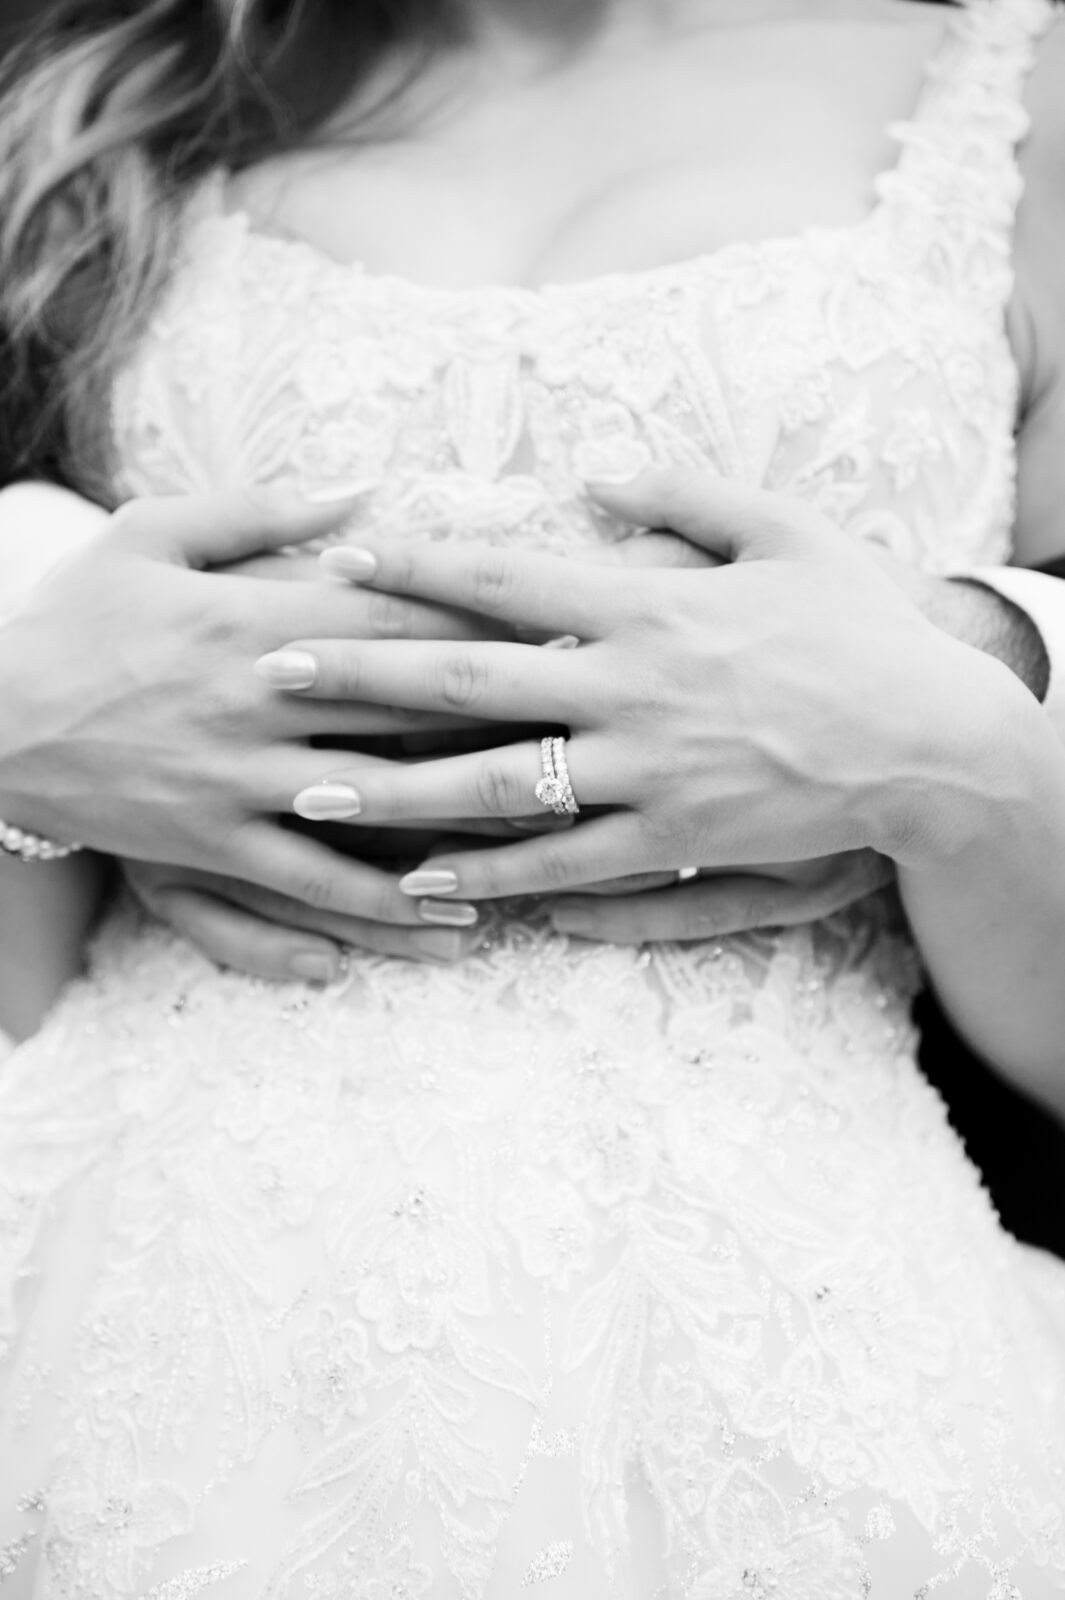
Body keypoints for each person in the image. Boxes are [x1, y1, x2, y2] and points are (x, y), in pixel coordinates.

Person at [1, 0, 1065, 1595]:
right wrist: (20, 728)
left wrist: (956, 766)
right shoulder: (92, 76)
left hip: (787, 1322)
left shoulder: (1024, 84)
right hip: (144, 1293)